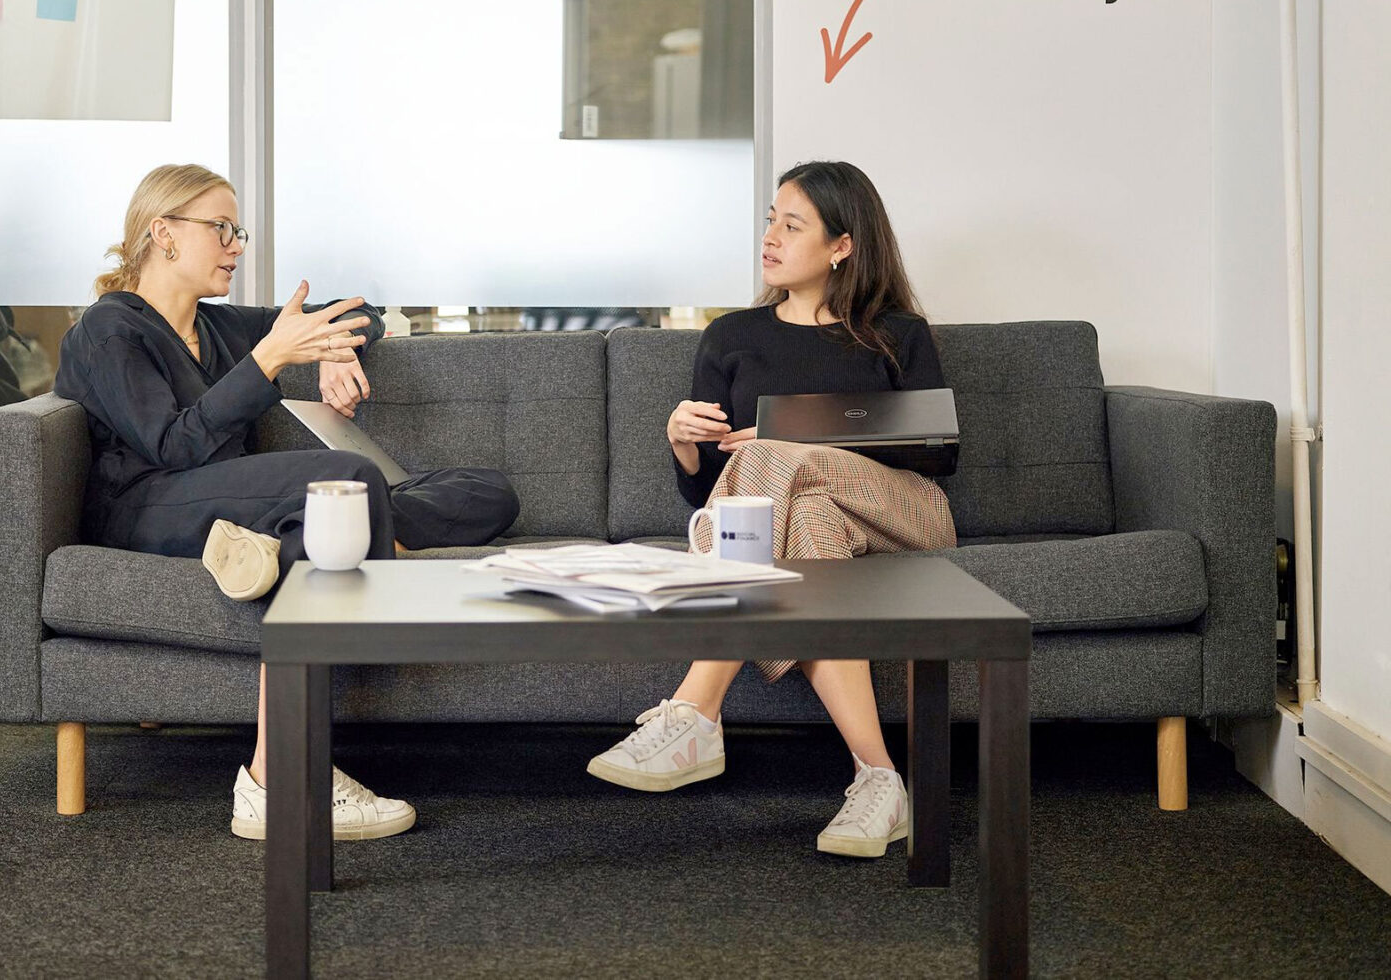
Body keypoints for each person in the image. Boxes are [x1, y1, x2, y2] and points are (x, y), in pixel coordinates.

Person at [53, 163, 519, 842]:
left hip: (243, 506)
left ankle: (272, 782)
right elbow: (174, 446)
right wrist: (269, 360)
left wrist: (333, 347)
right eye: (222, 229)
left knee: (489, 492)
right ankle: (367, 538)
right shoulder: (109, 330)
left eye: (236, 230)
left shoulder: (214, 328)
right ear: (164, 235)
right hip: (148, 505)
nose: (237, 245)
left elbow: (363, 313)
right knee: (347, 480)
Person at [586, 160, 956, 858]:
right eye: (770, 220)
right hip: (809, 526)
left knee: (769, 458)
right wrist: (685, 446)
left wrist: (798, 436)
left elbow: (937, 454)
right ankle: (879, 780)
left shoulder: (896, 331)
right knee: (801, 519)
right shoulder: (731, 336)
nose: (771, 237)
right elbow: (708, 496)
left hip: (906, 514)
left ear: (842, 245)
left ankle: (696, 707)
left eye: (794, 225)